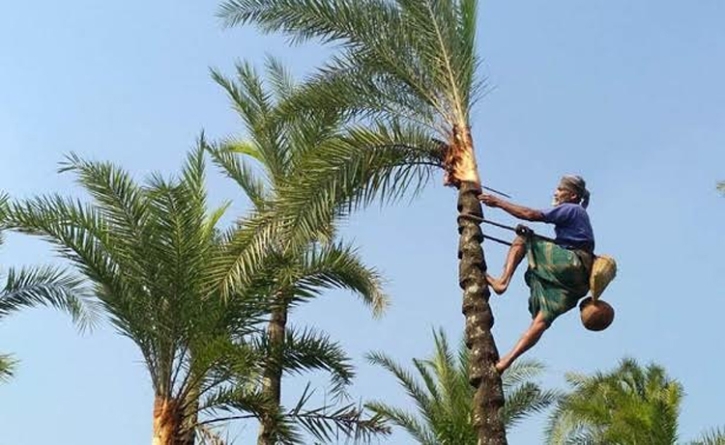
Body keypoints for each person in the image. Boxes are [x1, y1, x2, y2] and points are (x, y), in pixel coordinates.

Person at [478, 175, 595, 373]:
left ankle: (502, 281)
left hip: (571, 263)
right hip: (580, 282)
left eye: (560, 189)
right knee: (541, 320)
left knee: (523, 237)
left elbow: (530, 214)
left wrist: (498, 203)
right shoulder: (580, 214)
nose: (556, 193)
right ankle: (504, 363)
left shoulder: (572, 209)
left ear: (573, 195)